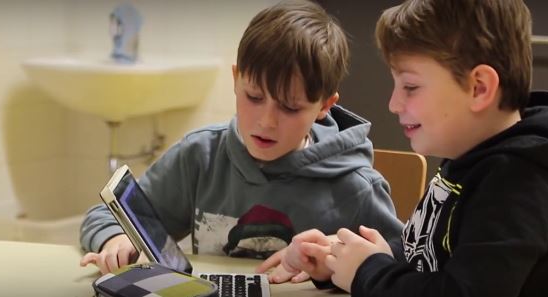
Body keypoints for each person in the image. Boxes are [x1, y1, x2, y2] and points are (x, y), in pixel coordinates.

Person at [280, 0, 548, 296]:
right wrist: (347, 258)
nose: (393, 104)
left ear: (479, 88)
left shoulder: (520, 185)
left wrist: (368, 272)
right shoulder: (474, 155)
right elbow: (432, 253)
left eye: (411, 87)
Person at [79, 0, 403, 283]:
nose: (266, 121)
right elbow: (106, 215)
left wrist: (336, 255)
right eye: (254, 96)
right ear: (236, 80)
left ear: (324, 106)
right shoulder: (199, 156)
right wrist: (117, 240)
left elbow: (405, 262)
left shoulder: (357, 187)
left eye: (290, 107)